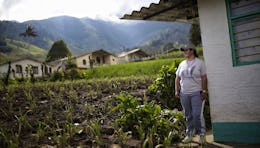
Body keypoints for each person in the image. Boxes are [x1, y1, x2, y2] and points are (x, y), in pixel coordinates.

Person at [175, 44, 207, 145]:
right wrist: (177, 90)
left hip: (197, 93)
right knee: (188, 115)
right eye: (183, 50)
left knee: (197, 115)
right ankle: (189, 134)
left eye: (186, 50)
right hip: (184, 94)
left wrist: (204, 90)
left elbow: (204, 77)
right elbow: (177, 78)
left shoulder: (200, 63)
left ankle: (202, 134)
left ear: (192, 51)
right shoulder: (182, 64)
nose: (184, 52)